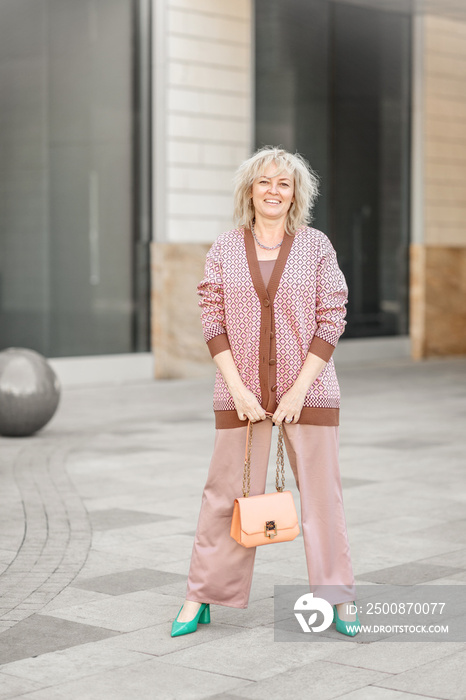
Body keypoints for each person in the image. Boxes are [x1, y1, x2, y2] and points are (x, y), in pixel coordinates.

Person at [171, 146, 360, 638]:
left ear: (295, 193)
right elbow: (212, 317)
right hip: (241, 394)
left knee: (323, 498)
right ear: (250, 190)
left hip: (311, 393)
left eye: (284, 183)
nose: (274, 191)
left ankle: (337, 596)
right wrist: (238, 388)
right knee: (223, 496)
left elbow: (332, 317)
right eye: (265, 182)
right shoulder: (226, 248)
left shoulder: (317, 246)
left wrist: (299, 390)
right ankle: (201, 595)